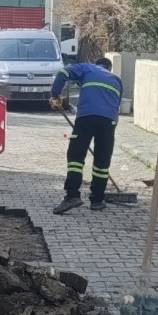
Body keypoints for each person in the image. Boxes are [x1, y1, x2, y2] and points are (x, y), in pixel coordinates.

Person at [48, 58, 123, 214]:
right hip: (109, 121)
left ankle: (72, 196)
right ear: (109, 68)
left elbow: (63, 73)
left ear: (97, 64)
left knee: (76, 156)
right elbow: (116, 107)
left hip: (86, 117)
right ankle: (97, 200)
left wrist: (55, 95)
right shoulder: (117, 80)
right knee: (102, 161)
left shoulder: (87, 68)